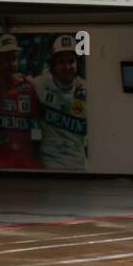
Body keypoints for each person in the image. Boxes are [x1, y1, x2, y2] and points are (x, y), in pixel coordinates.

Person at [32, 34, 89, 171]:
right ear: (53, 64)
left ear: (77, 63)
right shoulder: (39, 84)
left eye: (71, 61)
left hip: (79, 163)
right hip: (50, 161)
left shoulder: (87, 90)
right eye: (61, 62)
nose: (67, 66)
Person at [0, 34, 41, 170]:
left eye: (14, 59)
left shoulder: (28, 87)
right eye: (5, 59)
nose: (11, 64)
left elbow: (38, 125)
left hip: (26, 164)